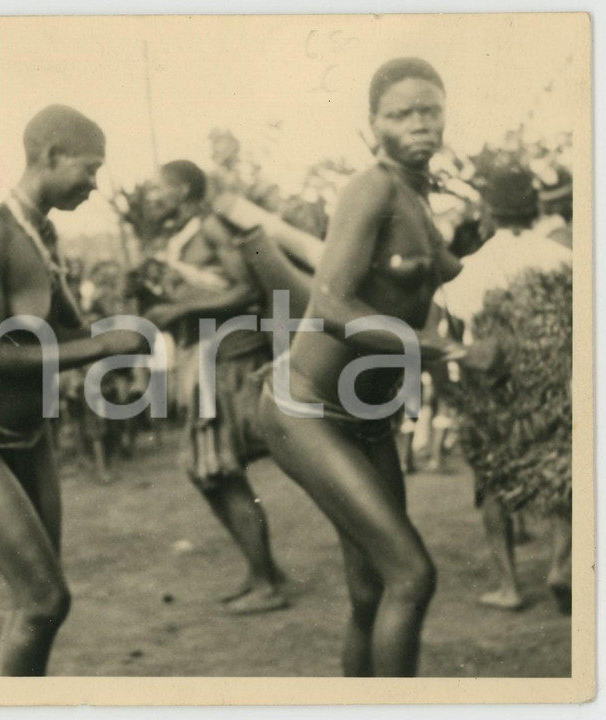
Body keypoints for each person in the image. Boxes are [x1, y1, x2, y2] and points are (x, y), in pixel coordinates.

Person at [0, 105, 147, 675]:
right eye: (89, 169)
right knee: (44, 599)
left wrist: (140, 325)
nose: (95, 185)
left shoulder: (41, 234)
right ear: (50, 156)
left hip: (28, 435)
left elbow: (72, 331)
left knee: (43, 606)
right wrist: (101, 346)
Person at [257, 58, 464, 676]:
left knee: (373, 591)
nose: (419, 125)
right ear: (372, 124)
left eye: (430, 110)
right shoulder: (370, 188)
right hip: (308, 411)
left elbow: (438, 273)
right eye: (401, 114)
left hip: (366, 418)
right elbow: (327, 305)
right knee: (411, 575)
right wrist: (435, 348)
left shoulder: (419, 195)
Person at [141, 160, 313, 614]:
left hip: (228, 358)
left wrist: (179, 313)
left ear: (181, 190)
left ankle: (265, 584)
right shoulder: (185, 237)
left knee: (218, 470)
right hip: (205, 358)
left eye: (160, 188)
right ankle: (265, 572)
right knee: (209, 474)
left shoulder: (213, 228)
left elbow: (246, 291)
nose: (154, 197)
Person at [442, 162, 573, 613]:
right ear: (535, 208)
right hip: (554, 385)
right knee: (560, 480)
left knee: (495, 486)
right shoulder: (564, 258)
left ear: (489, 212)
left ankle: (509, 586)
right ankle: (562, 565)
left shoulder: (470, 268)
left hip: (494, 390)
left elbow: (456, 336)